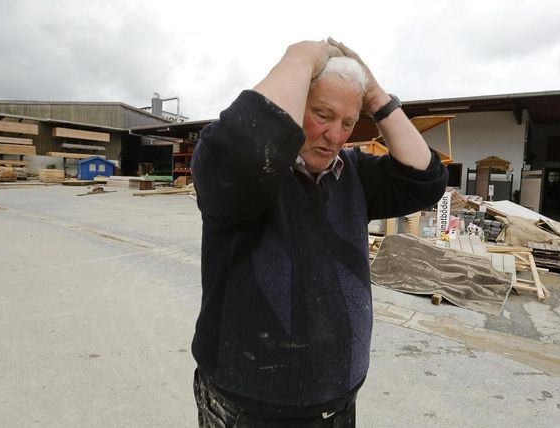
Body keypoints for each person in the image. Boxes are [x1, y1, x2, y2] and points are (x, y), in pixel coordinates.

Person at [191, 38, 448, 427]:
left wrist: (376, 96)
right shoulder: (246, 172)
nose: (336, 135)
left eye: (348, 122)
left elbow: (426, 180)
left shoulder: (355, 173)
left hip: (338, 396)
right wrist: (303, 56)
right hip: (246, 401)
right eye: (322, 115)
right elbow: (242, 150)